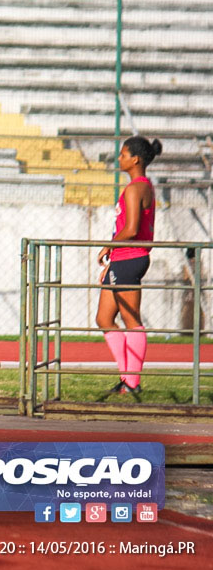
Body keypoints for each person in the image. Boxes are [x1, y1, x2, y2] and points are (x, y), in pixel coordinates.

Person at [96, 136, 162, 398]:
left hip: (130, 257)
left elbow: (132, 228)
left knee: (131, 319)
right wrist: (112, 257)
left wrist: (108, 245)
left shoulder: (137, 188)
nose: (119, 158)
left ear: (135, 159)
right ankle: (126, 378)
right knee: (103, 318)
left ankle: (132, 382)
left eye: (123, 154)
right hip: (122, 258)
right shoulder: (137, 187)